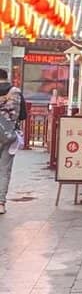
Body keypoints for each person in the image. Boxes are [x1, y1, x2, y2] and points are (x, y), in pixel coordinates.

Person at [0, 70, 25, 214]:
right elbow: (23, 115)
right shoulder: (15, 92)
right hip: (9, 136)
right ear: (6, 77)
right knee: (4, 170)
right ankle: (1, 203)